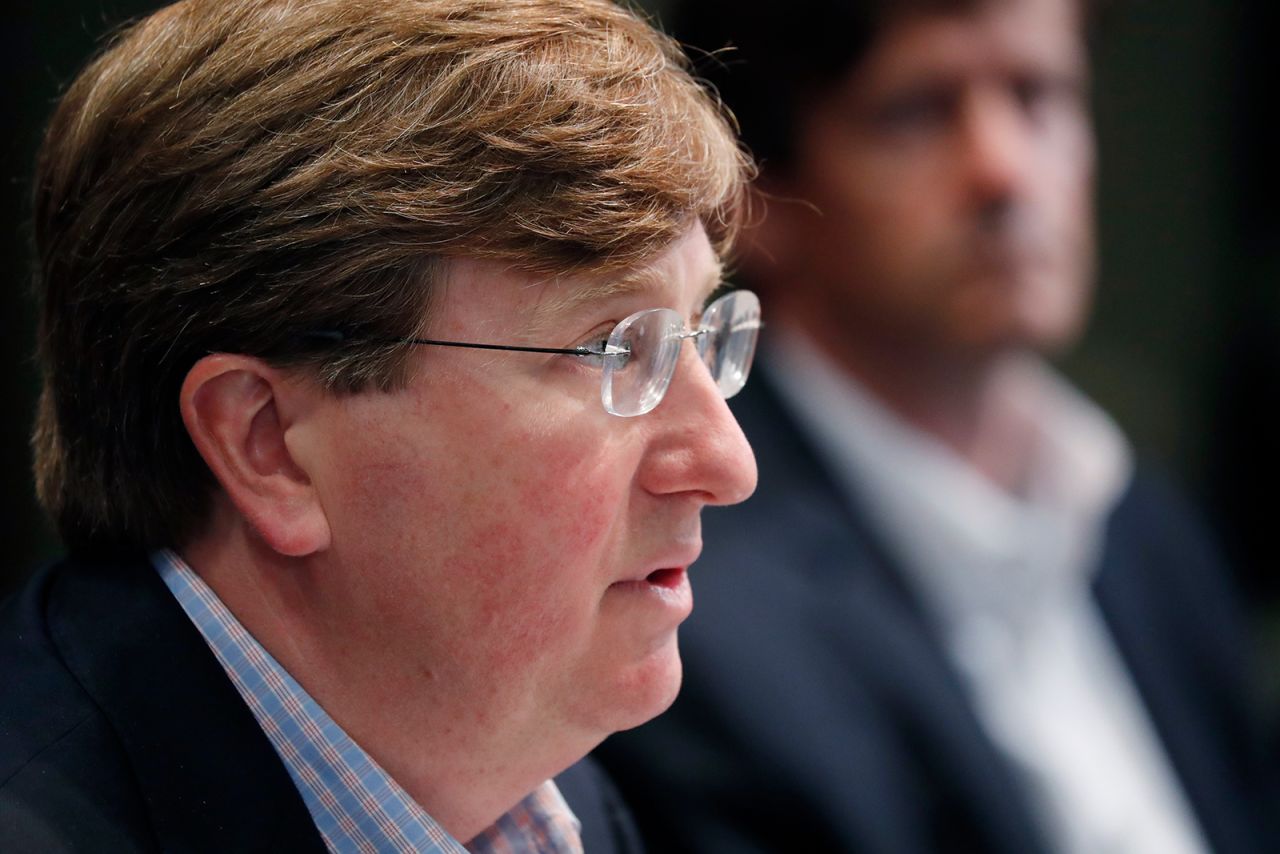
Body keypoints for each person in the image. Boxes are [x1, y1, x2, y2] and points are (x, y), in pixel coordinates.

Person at [0, 0, 761, 849]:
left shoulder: (535, 787)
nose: (728, 462)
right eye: (611, 351)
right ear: (270, 447)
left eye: (701, 331)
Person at [595, 0, 1277, 851]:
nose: (1002, 169)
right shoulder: (690, 617)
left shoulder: (1148, 523)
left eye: (1038, 94)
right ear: (759, 199)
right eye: (915, 111)